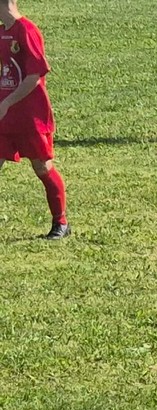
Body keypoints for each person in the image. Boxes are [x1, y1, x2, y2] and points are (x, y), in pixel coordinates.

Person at [0, 0, 69, 239]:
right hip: (5, 116)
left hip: (31, 115)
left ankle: (61, 222)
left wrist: (7, 102)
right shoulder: (3, 32)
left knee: (42, 167)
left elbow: (34, 76)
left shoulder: (27, 30)